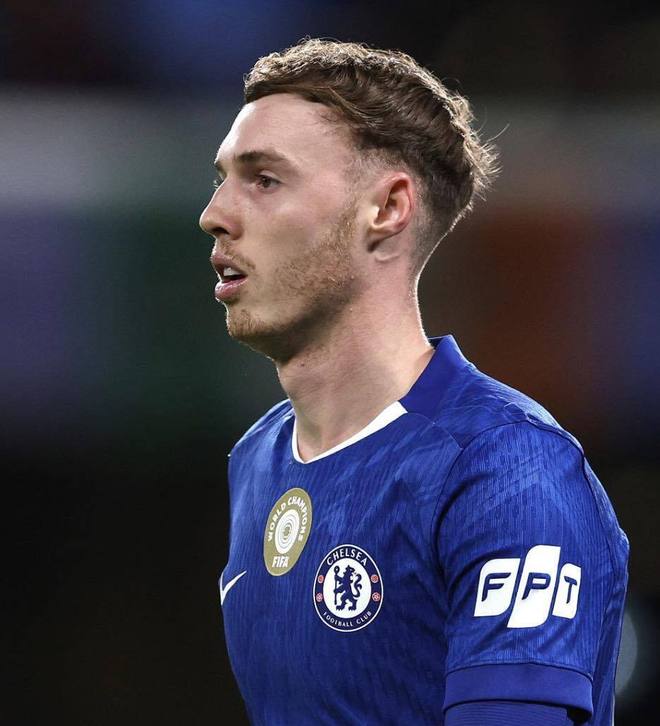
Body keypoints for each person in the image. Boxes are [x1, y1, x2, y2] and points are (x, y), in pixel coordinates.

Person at [199, 39, 629, 726]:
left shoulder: (507, 470)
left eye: (265, 180)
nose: (215, 214)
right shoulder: (256, 460)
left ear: (388, 207)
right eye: (222, 178)